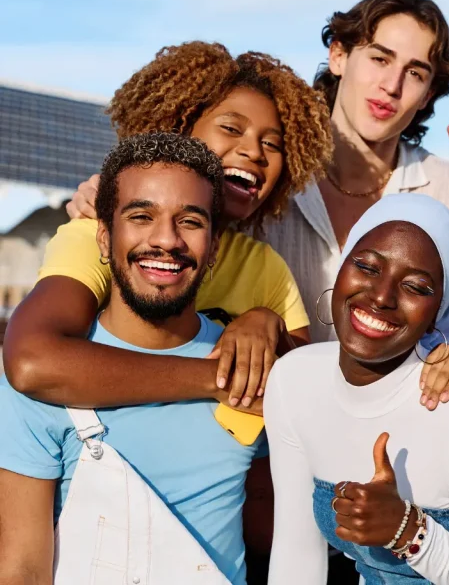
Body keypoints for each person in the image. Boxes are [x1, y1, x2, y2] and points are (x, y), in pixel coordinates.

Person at [5, 41, 333, 412]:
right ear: (176, 128)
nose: (255, 152)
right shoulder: (97, 236)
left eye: (273, 145)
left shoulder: (263, 265)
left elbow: (308, 393)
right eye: (231, 128)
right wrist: (216, 381)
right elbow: (32, 361)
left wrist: (267, 324)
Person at [0, 133, 263, 584]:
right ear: (104, 236)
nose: (166, 240)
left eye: (191, 221)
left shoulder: (252, 361)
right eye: (141, 216)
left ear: (215, 246)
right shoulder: (41, 380)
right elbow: (23, 567)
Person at [264, 193, 449, 584]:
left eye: (416, 287)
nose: (381, 296)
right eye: (367, 266)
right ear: (341, 269)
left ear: (438, 312)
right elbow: (296, 555)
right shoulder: (293, 381)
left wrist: (410, 533)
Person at [262, 0, 449, 345]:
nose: (392, 85)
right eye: (380, 59)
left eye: (416, 73)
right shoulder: (271, 168)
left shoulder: (448, 188)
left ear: (428, 96)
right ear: (339, 56)